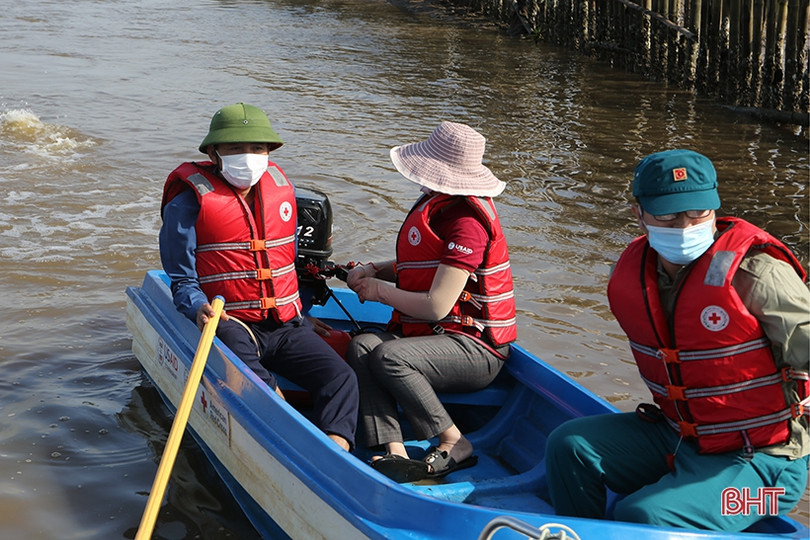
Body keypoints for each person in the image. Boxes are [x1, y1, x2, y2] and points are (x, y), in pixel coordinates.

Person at [545, 149, 809, 530]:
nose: (684, 226)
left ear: (715, 209)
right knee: (569, 445)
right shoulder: (635, 270)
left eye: (697, 213)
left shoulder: (758, 272)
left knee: (643, 515)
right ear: (639, 214)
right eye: (667, 215)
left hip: (767, 472)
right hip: (679, 438)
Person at [159, 102, 358, 451]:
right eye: (235, 148)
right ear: (214, 153)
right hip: (230, 319)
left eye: (257, 148)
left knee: (341, 377)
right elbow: (181, 277)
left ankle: (337, 448)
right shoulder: (188, 203)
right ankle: (286, 433)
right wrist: (198, 307)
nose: (248, 157)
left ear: (269, 152)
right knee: (260, 388)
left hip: (284, 323)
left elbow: (284, 264)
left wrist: (302, 312)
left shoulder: (281, 193)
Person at [345, 121, 518, 482]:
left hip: (475, 350)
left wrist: (377, 291)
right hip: (438, 338)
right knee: (363, 345)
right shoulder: (439, 205)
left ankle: (454, 441)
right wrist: (375, 269)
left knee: (389, 355)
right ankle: (393, 449)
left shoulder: (467, 222)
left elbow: (438, 305)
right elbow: (422, 265)